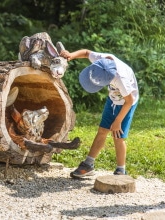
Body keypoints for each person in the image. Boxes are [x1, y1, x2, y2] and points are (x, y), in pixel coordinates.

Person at [59, 49, 139, 177]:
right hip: (113, 100)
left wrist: (118, 121)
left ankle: (121, 170)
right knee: (102, 130)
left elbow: (129, 101)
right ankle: (88, 164)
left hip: (126, 104)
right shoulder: (101, 61)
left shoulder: (121, 79)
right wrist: (71, 55)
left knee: (117, 136)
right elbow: (86, 53)